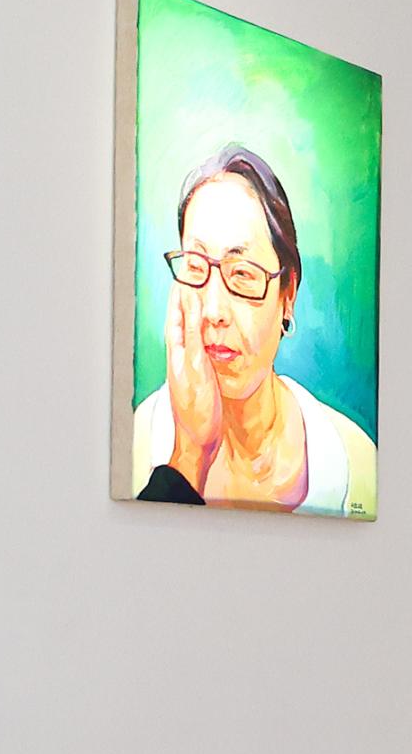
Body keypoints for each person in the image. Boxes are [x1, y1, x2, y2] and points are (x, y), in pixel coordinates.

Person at [127, 146, 377, 515]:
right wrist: (190, 452)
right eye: (195, 267)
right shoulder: (139, 443)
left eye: (242, 273)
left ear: (287, 295)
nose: (214, 311)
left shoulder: (352, 462)